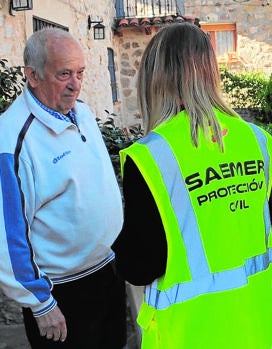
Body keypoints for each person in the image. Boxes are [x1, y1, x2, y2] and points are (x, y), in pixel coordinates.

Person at [111, 22, 272, 348]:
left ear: (155, 78)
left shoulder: (152, 156)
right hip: (253, 325)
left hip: (189, 333)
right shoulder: (258, 141)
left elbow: (141, 266)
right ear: (209, 71)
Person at [0, 28, 126, 348]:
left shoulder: (81, 112)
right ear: (33, 76)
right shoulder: (12, 139)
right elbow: (7, 234)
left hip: (108, 274)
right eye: (64, 74)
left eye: (81, 72)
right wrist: (40, 302)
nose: (76, 84)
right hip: (63, 294)